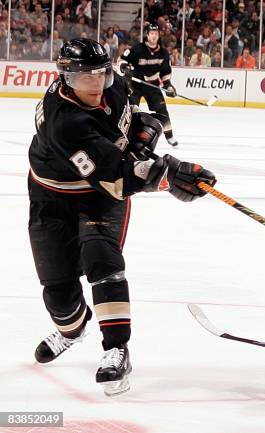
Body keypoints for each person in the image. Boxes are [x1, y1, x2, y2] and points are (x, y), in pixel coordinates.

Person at [28, 38, 216, 396]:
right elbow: (116, 177)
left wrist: (146, 142)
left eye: (101, 73)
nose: (96, 83)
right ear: (66, 78)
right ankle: (74, 329)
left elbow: (139, 126)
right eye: (86, 77)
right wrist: (169, 173)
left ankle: (116, 348)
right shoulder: (64, 122)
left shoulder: (115, 88)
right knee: (59, 296)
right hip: (52, 198)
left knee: (103, 261)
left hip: (99, 198)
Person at [117, 24, 179, 147]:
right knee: (130, 112)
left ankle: (170, 136)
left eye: (156, 34)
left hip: (153, 86)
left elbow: (165, 72)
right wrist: (124, 68)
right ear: (147, 35)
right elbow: (122, 60)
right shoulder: (138, 49)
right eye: (152, 33)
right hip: (135, 86)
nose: (154, 36)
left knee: (162, 112)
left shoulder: (163, 53)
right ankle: (126, 137)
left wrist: (168, 86)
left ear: (158, 35)